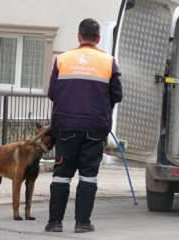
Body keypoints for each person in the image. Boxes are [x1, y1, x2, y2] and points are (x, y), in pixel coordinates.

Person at [45, 18, 123, 233]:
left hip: (66, 126)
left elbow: (52, 93)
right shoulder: (109, 62)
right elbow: (117, 94)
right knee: (88, 175)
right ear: (98, 39)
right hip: (95, 127)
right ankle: (82, 223)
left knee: (61, 174)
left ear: (79, 37)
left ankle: (54, 223)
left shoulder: (62, 60)